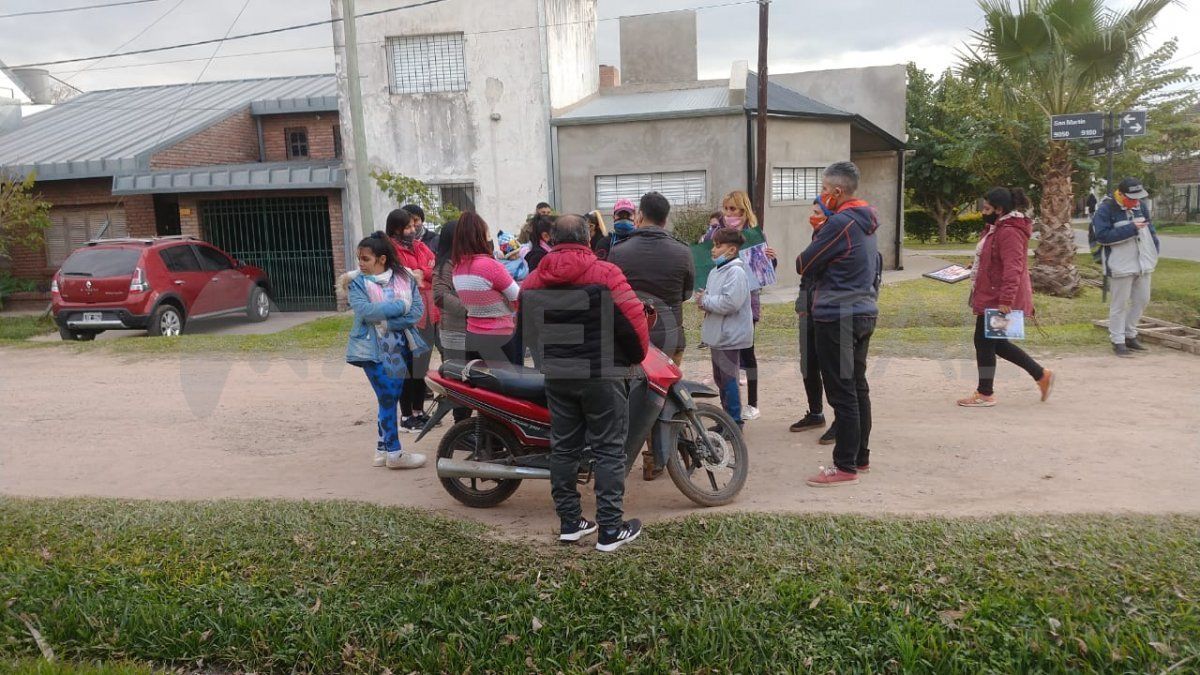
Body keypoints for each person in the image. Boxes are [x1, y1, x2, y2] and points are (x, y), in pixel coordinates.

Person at [521, 214, 650, 552]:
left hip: (559, 376)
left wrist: (547, 361)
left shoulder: (533, 280)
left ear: (552, 238)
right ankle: (610, 530)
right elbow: (633, 322)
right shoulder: (606, 273)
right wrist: (636, 356)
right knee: (609, 449)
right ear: (588, 238)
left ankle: (570, 523)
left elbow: (529, 331)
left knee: (563, 448)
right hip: (602, 374)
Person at [796, 162, 882, 488]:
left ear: (836, 192)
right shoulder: (867, 222)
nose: (820, 196)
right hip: (863, 312)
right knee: (857, 387)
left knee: (843, 392)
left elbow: (803, 263)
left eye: (823, 189)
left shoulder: (840, 224)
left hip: (838, 316)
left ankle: (844, 465)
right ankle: (860, 456)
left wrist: (820, 231)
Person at [607, 191, 695, 480]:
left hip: (633, 343)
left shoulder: (619, 251)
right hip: (670, 339)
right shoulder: (683, 251)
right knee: (665, 398)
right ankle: (662, 457)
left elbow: (613, 297)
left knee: (637, 401)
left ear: (640, 216)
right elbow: (686, 294)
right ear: (666, 219)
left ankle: (645, 459)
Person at [957, 188, 1055, 407]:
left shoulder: (1009, 231)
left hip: (998, 297)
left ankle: (985, 393)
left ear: (1000, 210)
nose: (983, 212)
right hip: (992, 292)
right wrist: (975, 267)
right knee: (996, 343)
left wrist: (1006, 300)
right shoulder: (999, 227)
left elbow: (1014, 267)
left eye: (987, 208)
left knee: (983, 342)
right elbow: (994, 259)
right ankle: (1041, 375)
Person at [345, 232, 426, 470]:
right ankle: (394, 453)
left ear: (381, 259)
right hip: (370, 349)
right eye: (359, 258)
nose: (360, 263)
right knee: (388, 396)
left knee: (388, 397)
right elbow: (365, 311)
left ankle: (382, 449)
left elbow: (416, 312)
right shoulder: (356, 282)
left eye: (365, 259)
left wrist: (390, 322)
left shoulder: (405, 278)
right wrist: (400, 306)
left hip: (400, 345)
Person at [706, 191, 778, 422]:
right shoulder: (717, 234)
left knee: (745, 353)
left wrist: (771, 259)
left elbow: (764, 270)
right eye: (726, 208)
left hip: (746, 302)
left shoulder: (754, 236)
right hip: (721, 301)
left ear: (743, 211)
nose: (728, 213)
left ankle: (750, 405)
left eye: (733, 209)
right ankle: (730, 410)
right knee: (725, 362)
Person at [1092, 177, 1160, 358]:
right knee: (1119, 304)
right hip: (1120, 265)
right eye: (1132, 198)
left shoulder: (1141, 207)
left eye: (1138, 198)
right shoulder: (1106, 209)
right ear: (1120, 194)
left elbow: (1150, 230)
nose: (1136, 202)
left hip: (1143, 263)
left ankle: (1130, 334)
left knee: (1142, 300)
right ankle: (1118, 340)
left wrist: (1154, 249)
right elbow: (1102, 236)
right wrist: (1131, 228)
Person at [386, 209, 438, 432]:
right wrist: (418, 273)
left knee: (422, 366)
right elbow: (401, 276)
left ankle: (419, 411)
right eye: (407, 227)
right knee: (406, 367)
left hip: (427, 311)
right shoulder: (389, 250)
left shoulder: (419, 245)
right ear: (396, 229)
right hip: (407, 316)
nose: (413, 230)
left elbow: (432, 270)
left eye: (413, 226)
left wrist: (421, 273)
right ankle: (406, 415)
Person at [696, 227, 754, 426]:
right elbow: (715, 298)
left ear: (731, 250)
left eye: (718, 245)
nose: (713, 249)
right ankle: (726, 420)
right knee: (721, 379)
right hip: (718, 335)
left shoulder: (736, 272)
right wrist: (704, 300)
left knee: (729, 380)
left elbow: (730, 303)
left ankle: (734, 422)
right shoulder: (716, 271)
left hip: (729, 336)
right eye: (714, 245)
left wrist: (706, 301)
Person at [452, 212, 521, 364]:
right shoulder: (490, 266)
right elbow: (518, 296)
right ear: (480, 236)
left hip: (473, 335)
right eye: (488, 234)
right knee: (505, 385)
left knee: (480, 384)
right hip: (499, 336)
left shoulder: (457, 269)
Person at [791, 198, 834, 440]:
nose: (813, 216)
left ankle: (840, 420)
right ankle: (816, 412)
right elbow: (806, 273)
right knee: (808, 364)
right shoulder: (817, 237)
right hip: (809, 309)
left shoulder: (833, 238)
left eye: (818, 212)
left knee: (832, 367)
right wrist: (801, 303)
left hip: (827, 310)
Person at [432, 218, 471, 423]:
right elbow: (439, 295)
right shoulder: (446, 264)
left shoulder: (465, 261)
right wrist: (470, 309)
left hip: (470, 330)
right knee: (459, 382)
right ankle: (461, 429)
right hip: (455, 331)